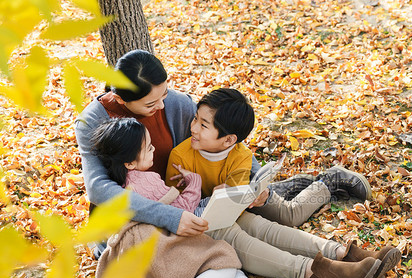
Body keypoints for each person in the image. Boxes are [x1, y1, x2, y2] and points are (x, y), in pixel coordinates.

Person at [74, 49, 372, 259]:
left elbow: (230, 144)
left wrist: (256, 180)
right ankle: (305, 189)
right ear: (120, 99)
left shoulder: (176, 104)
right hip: (146, 211)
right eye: (151, 105)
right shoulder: (93, 120)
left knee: (277, 212)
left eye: (164, 95)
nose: (163, 107)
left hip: (195, 194)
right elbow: (99, 189)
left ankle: (323, 183)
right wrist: (170, 216)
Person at [166, 88, 401, 278]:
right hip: (196, 224)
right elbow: (175, 207)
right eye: (196, 118)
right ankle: (319, 274)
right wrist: (197, 189)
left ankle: (342, 254)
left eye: (203, 125)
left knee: (262, 225)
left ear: (228, 139)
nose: (193, 127)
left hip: (230, 213)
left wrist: (237, 196)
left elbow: (235, 205)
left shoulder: (240, 155)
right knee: (241, 233)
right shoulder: (181, 156)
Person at [91, 117, 307, 278]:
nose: (154, 149)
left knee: (223, 262)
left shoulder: (126, 184)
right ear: (129, 163)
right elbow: (181, 210)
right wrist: (193, 182)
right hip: (160, 250)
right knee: (224, 263)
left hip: (149, 251)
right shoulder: (146, 181)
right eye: (148, 148)